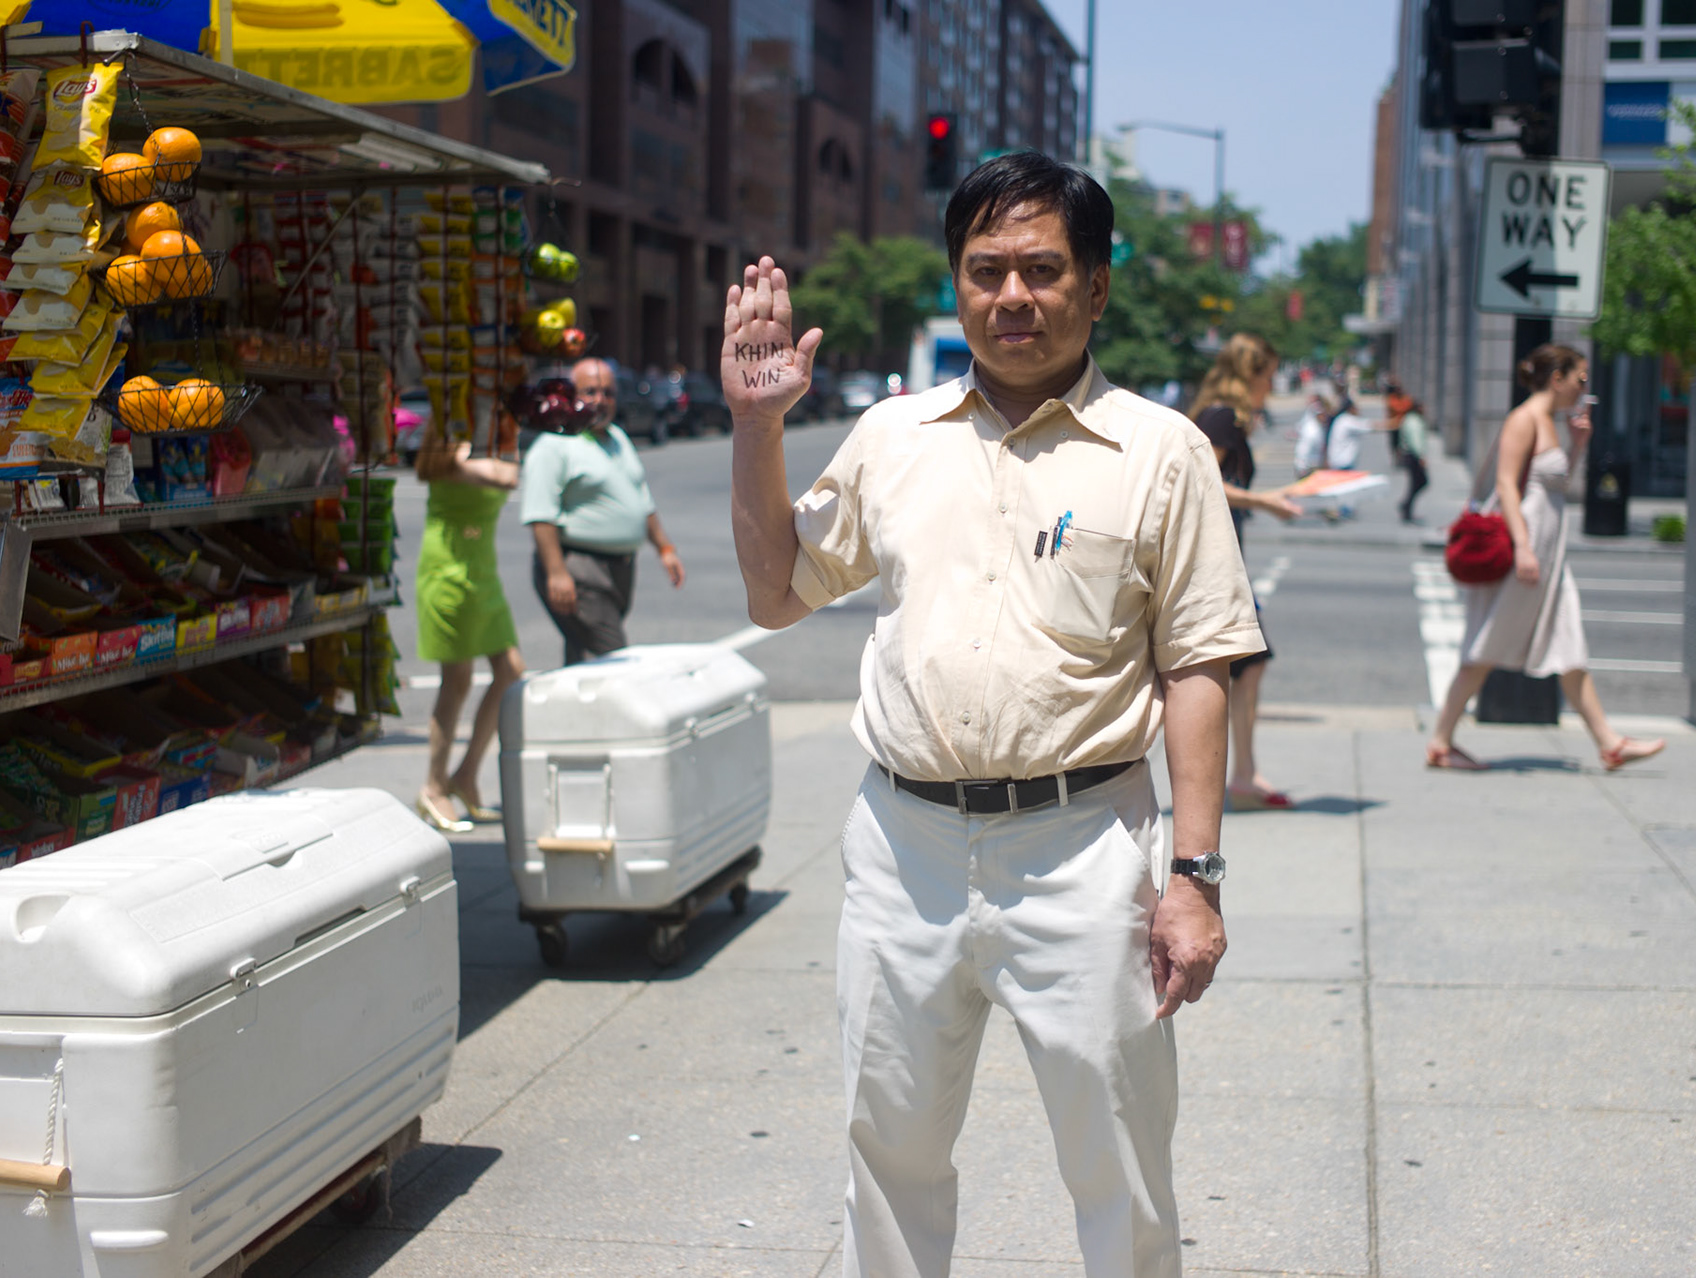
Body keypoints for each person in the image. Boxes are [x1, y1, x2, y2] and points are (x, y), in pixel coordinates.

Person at [724, 152, 1260, 1278]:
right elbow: (776, 595)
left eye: (1042, 270)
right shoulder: (893, 436)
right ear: (957, 284)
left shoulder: (1163, 453)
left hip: (1084, 851)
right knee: (888, 1150)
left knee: (1120, 1164)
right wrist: (758, 429)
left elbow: (1200, 666)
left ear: (1097, 286)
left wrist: (1194, 878)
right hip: (902, 846)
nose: (1012, 296)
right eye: (985, 270)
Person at [1425, 343, 1666, 773]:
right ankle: (1441, 740)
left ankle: (1609, 742)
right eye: (1580, 378)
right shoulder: (1524, 419)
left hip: (1547, 557)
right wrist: (1523, 548)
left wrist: (1578, 445)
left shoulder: (1551, 423)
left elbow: (1554, 484)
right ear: (1557, 378)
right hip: (1527, 553)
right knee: (1487, 646)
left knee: (1568, 644)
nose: (1583, 387)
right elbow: (1507, 486)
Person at [1187, 334, 1304, 810]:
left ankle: (1243, 774)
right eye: (1270, 374)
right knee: (1225, 668)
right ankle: (1234, 776)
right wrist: (1264, 501)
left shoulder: (1224, 416)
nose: (1272, 385)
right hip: (1210, 562)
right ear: (1251, 374)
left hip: (1222, 559)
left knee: (1247, 665)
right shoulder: (1222, 417)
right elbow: (1201, 479)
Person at [520, 358, 685, 666]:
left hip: (619, 569)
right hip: (579, 569)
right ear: (570, 395)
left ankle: (571, 714)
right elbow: (541, 515)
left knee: (585, 659)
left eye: (608, 392)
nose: (600, 400)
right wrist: (556, 573)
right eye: (590, 391)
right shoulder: (554, 444)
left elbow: (641, 498)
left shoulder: (618, 438)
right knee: (611, 658)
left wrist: (665, 548)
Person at [412, 422, 525, 834]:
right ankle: (433, 786)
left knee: (510, 670)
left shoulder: (491, 440)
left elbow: (505, 471)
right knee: (456, 680)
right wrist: (500, 456)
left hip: (482, 574)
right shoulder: (447, 438)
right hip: (447, 573)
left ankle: (465, 775)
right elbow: (507, 476)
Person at [1391, 392, 1430, 524]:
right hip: (1413, 456)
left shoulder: (1411, 419)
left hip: (1411, 455)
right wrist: (1421, 456)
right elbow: (1415, 441)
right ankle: (1406, 506)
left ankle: (1406, 506)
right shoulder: (1413, 421)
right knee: (1420, 482)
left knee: (1416, 483)